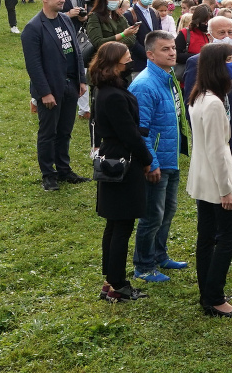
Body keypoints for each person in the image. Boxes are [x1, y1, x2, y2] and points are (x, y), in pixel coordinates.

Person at [91, 41, 153, 303]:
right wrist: (147, 159)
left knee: (114, 224)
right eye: (127, 58)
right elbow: (128, 134)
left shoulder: (106, 90)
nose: (131, 61)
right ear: (115, 63)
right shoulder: (114, 95)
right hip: (123, 164)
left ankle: (111, 280)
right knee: (121, 226)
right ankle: (117, 284)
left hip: (113, 158)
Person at [129, 31, 191, 283]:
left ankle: (160, 254)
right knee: (152, 215)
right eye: (165, 49)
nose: (173, 52)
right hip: (157, 162)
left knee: (167, 211)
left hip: (170, 157)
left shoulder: (168, 78)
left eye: (173, 48)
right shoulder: (144, 85)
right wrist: (150, 162)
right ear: (150, 54)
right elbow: (140, 130)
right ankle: (143, 265)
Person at [186, 42, 232, 317]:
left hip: (201, 177)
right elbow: (219, 151)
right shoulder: (214, 103)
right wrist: (227, 190)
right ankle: (215, 296)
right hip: (215, 181)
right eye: (229, 60)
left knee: (206, 236)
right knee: (228, 236)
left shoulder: (199, 96)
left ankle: (207, 292)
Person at [21, 0, 90, 191]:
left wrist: (81, 79)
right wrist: (45, 93)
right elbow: (34, 66)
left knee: (65, 131)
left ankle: (63, 169)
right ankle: (48, 175)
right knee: (48, 133)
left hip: (70, 86)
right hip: (50, 90)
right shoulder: (33, 28)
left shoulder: (66, 20)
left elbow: (77, 52)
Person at [123, 0, 162, 75]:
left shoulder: (155, 13)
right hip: (138, 63)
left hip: (155, 62)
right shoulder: (130, 15)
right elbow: (131, 41)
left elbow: (159, 34)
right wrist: (148, 55)